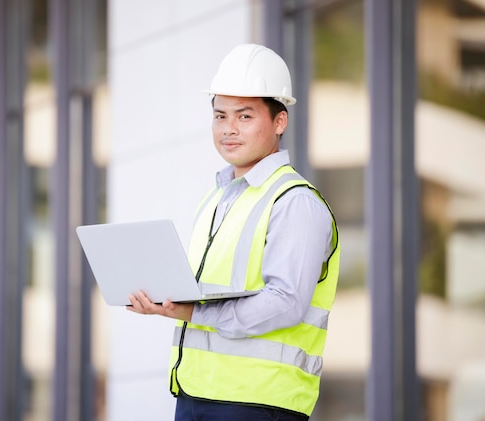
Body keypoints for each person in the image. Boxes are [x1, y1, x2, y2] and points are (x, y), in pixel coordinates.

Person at [127, 43, 340, 421]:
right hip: (195, 394)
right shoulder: (216, 199)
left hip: (259, 404)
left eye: (244, 116)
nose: (228, 129)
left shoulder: (294, 202)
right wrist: (166, 301)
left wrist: (193, 313)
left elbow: (285, 303)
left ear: (279, 122)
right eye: (220, 115)